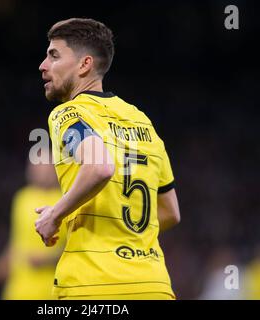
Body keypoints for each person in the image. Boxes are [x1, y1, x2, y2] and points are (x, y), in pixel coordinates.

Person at [35, 18, 181, 300]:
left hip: (92, 286)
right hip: (154, 286)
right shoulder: (143, 122)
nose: (43, 65)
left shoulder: (69, 114)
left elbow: (100, 167)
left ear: (84, 64)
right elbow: (171, 213)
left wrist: (55, 215)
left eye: (54, 55)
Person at [0, 149, 65, 299]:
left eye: (44, 165)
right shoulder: (22, 198)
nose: (38, 169)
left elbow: (73, 246)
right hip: (17, 288)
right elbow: (15, 242)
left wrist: (48, 259)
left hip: (50, 289)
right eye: (35, 164)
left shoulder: (65, 200)